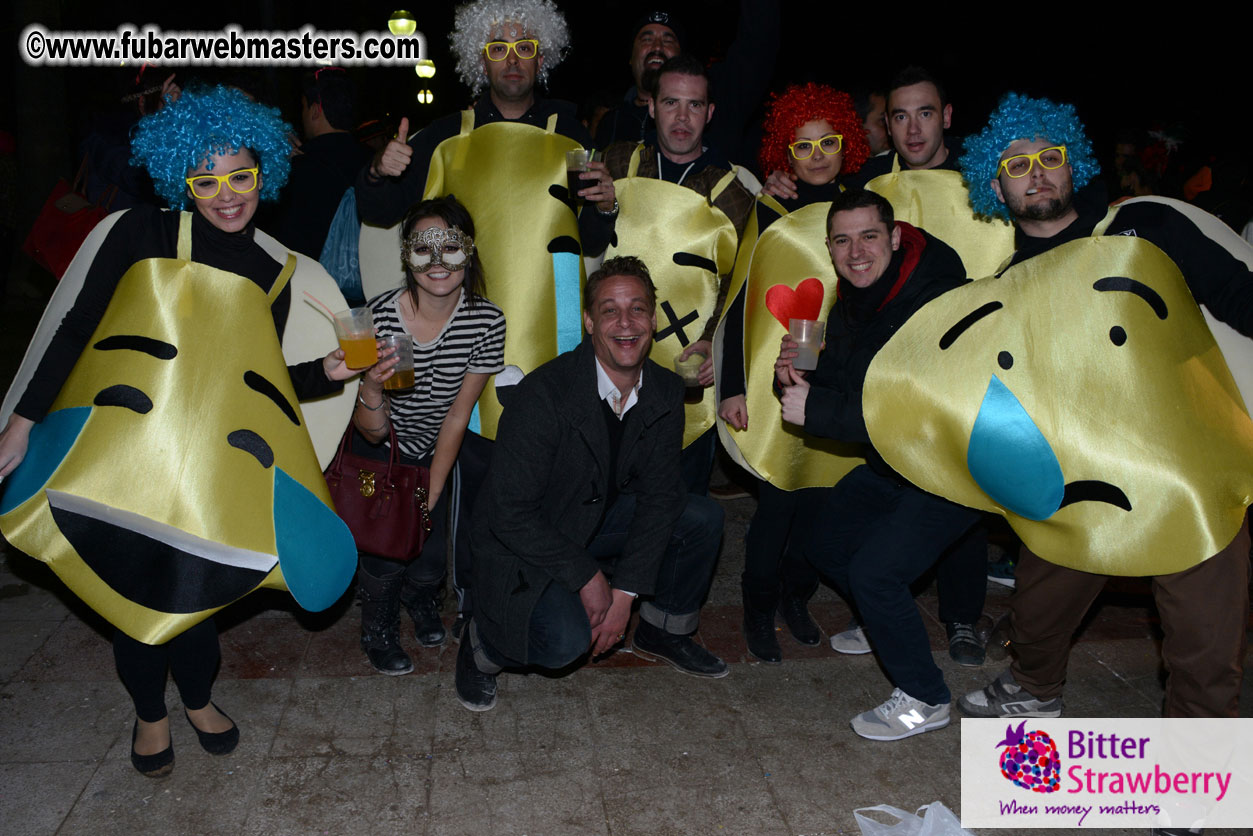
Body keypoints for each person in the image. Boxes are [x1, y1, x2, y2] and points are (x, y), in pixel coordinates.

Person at [0, 85, 359, 776]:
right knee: (132, 595)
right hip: (125, 453)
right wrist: (23, 423)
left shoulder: (274, 273)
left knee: (194, 601)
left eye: (240, 176)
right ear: (181, 179)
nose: (226, 194)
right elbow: (80, 329)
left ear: (264, 175)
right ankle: (150, 714)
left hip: (207, 467)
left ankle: (197, 699)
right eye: (206, 179)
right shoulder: (143, 232)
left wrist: (330, 371)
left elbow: (260, 382)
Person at [949, 93, 1253, 721]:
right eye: (1015, 165)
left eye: (1049, 155)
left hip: (1187, 470)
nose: (1035, 171)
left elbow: (1237, 295)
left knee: (1204, 639)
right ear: (996, 188)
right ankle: (1034, 688)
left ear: (1073, 163)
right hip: (1083, 476)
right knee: (1038, 609)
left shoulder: (1144, 227)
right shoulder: (1008, 286)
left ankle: (1194, 772)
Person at [456, 256, 727, 711]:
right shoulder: (545, 394)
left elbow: (661, 497)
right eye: (609, 310)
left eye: (637, 309)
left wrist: (625, 593)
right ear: (588, 321)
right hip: (528, 536)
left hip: (596, 516)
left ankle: (662, 631)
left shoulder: (663, 389)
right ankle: (484, 644)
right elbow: (508, 513)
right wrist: (585, 574)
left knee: (700, 518)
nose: (626, 323)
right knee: (565, 643)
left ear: (653, 319)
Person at [774, 189, 975, 740]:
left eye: (868, 236)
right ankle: (884, 618)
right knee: (827, 543)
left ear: (892, 236)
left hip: (951, 471)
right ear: (830, 247)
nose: (855, 251)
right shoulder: (854, 300)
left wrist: (819, 408)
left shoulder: (933, 297)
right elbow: (834, 372)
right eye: (842, 240)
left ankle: (926, 699)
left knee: (875, 572)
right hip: (896, 463)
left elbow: (925, 410)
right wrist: (793, 372)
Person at [355, 0, 590, 442]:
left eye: (524, 46)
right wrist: (378, 172)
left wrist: (605, 206)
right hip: (465, 317)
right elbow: (381, 212)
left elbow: (594, 237)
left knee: (550, 434)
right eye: (498, 49)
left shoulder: (573, 134)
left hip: (551, 310)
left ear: (542, 57)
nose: (513, 59)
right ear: (481, 60)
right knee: (474, 441)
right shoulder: (443, 135)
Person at [715, 83, 871, 662]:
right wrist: (731, 388)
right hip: (773, 382)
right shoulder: (770, 207)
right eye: (802, 146)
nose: (817, 155)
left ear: (846, 144)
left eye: (828, 141)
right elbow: (739, 299)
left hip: (838, 383)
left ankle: (795, 598)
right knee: (777, 504)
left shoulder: (863, 208)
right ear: (785, 152)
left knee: (820, 502)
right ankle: (757, 607)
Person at [579, 54, 755, 495]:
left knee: (677, 505)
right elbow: (583, 245)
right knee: (600, 490)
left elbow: (745, 278)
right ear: (651, 106)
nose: (682, 116)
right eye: (671, 102)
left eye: (694, 105)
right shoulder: (616, 163)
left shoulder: (731, 191)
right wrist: (599, 212)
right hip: (606, 358)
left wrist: (717, 341)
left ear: (710, 113)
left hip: (687, 370)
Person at [352, 196, 504, 675]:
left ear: (470, 252)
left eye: (451, 247)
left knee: (428, 556)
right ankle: (376, 626)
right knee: (385, 549)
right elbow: (368, 427)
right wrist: (372, 384)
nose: (438, 263)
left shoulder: (487, 321)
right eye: (424, 249)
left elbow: (459, 414)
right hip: (378, 443)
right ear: (405, 256)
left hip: (435, 448)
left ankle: (420, 601)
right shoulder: (376, 318)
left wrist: (432, 487)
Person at [593, 3, 779, 167]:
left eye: (668, 40)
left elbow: (757, 44)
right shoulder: (611, 123)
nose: (657, 46)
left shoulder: (720, 100)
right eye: (646, 39)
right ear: (631, 59)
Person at [270, 67, 371, 259]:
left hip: (310, 282)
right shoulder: (375, 163)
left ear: (315, 110)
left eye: (303, 107)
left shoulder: (296, 167)